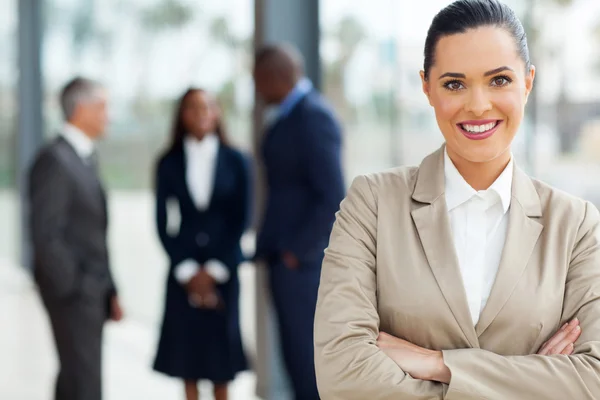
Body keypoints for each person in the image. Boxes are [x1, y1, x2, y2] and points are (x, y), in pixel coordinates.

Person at [314, 0, 600, 398]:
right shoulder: (373, 205)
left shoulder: (576, 224)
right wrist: (531, 378)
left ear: (528, 82)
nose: (478, 104)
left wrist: (439, 364)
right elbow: (341, 375)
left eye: (499, 80)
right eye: (454, 84)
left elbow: (592, 380)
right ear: (427, 87)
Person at [253, 43, 345, 400]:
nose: (258, 90)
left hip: (302, 267)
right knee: (293, 357)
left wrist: (297, 251)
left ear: (274, 76)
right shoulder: (292, 116)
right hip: (285, 260)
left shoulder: (314, 117)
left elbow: (332, 195)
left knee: (307, 362)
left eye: (258, 81)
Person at [28, 77, 123, 400]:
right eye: (103, 108)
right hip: (72, 293)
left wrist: (108, 289)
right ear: (82, 110)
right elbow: (46, 234)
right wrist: (77, 287)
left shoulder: (83, 157)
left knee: (76, 379)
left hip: (89, 291)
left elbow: (92, 232)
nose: (108, 116)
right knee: (84, 383)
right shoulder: (54, 160)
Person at [152, 88, 250, 400]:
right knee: (187, 361)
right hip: (184, 270)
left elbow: (243, 218)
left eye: (207, 106)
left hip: (224, 271)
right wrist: (187, 269)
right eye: (193, 108)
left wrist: (216, 269)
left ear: (217, 112)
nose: (201, 113)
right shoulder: (168, 162)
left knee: (222, 363)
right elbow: (161, 222)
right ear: (182, 115)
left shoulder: (237, 161)